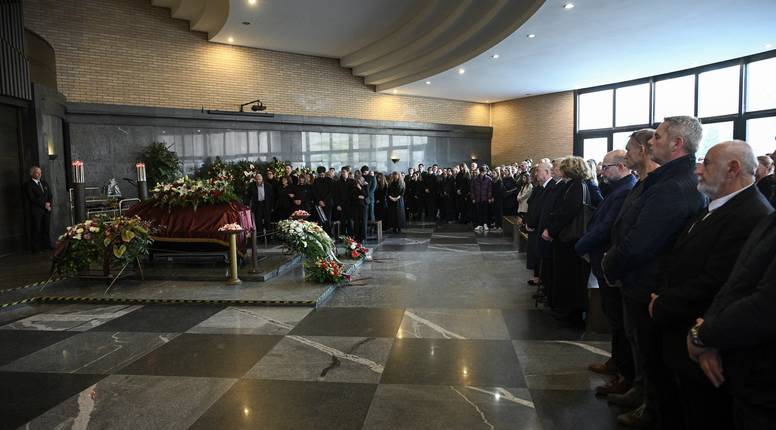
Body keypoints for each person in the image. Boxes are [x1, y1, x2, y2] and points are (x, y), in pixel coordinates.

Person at [648, 141, 772, 429]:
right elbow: (681, 257)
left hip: (708, 340)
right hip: (684, 331)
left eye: (707, 163)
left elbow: (720, 281)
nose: (698, 169)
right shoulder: (716, 206)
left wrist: (667, 306)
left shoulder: (751, 214)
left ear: (733, 169)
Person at [603, 116, 707, 429]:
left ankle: (653, 410)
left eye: (658, 137)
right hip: (639, 279)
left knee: (652, 355)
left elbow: (641, 242)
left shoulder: (673, 186)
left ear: (677, 143)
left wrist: (610, 263)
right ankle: (643, 394)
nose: (651, 142)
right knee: (641, 350)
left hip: (648, 282)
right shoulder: (664, 180)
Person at [689, 210, 776, 430]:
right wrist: (709, 330)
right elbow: (736, 282)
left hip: (765, 386)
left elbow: (765, 306)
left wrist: (702, 335)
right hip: (748, 380)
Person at [575, 149, 637, 396]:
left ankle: (624, 371)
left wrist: (581, 245)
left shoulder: (625, 191)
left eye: (606, 167)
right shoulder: (618, 188)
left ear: (621, 167)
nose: (601, 171)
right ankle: (616, 360)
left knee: (619, 321)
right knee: (614, 317)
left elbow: (606, 227)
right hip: (602, 260)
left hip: (610, 262)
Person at [542, 156, 593, 327]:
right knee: (569, 275)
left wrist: (551, 230)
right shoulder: (576, 185)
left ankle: (571, 313)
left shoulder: (576, 186)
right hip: (569, 238)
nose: (559, 169)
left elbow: (567, 212)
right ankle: (568, 310)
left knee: (570, 276)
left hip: (570, 238)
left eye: (562, 167)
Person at [525, 163, 552, 287]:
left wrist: (531, 223)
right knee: (535, 253)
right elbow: (532, 205)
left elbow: (542, 209)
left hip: (539, 227)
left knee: (539, 254)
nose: (536, 174)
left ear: (546, 172)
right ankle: (537, 277)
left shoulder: (550, 187)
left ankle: (541, 279)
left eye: (538, 171)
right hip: (534, 226)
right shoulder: (540, 187)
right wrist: (527, 221)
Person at [24, 166, 53, 253]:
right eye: (37, 172)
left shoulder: (44, 183)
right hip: (37, 211)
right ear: (32, 174)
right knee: (37, 229)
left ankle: (47, 245)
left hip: (46, 210)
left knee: (46, 228)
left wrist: (48, 203)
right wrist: (44, 204)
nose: (40, 174)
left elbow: (50, 195)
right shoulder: (29, 185)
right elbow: (32, 198)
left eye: (40, 172)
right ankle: (36, 248)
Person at [470, 166, 492, 232]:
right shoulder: (475, 179)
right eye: (482, 172)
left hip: (485, 198)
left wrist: (489, 198)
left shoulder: (488, 179)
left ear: (486, 172)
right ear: (480, 172)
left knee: (485, 212)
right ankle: (480, 224)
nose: (483, 173)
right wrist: (473, 198)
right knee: (478, 212)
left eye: (484, 172)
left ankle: (485, 224)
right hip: (477, 198)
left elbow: (490, 190)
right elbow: (472, 189)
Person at [313, 166, 334, 231]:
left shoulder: (329, 180)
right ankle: (320, 234)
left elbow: (331, 192)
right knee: (320, 221)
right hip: (319, 203)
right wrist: (319, 200)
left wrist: (324, 201)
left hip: (327, 203)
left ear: (325, 173)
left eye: (322, 174)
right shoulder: (316, 180)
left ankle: (328, 234)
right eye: (320, 174)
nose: (321, 176)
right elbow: (315, 192)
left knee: (327, 220)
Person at [350, 170, 368, 242]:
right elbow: (352, 195)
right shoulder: (353, 184)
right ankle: (357, 236)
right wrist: (358, 196)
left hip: (363, 205)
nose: (357, 177)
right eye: (356, 175)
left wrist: (360, 188)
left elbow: (366, 195)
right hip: (355, 204)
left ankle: (363, 237)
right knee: (356, 221)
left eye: (358, 175)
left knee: (363, 221)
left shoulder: (365, 184)